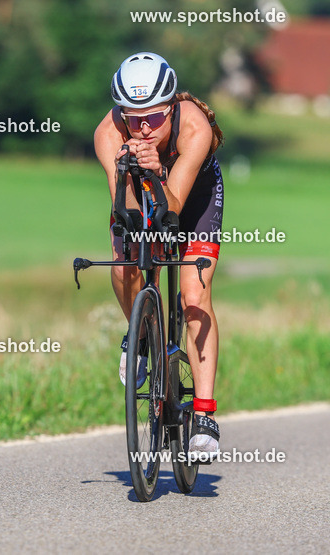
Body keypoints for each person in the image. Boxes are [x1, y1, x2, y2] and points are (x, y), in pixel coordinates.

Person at [93, 52, 225, 461]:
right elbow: (128, 210)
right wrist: (132, 175)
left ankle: (204, 416)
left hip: (193, 198)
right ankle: (141, 336)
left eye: (153, 116)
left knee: (193, 295)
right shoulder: (108, 134)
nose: (143, 126)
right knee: (123, 256)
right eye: (133, 117)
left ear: (171, 107)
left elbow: (174, 206)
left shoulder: (194, 127)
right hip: (140, 185)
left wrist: (157, 171)